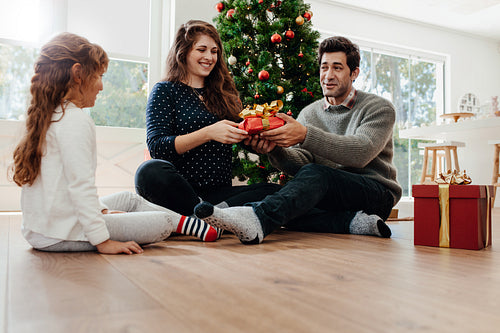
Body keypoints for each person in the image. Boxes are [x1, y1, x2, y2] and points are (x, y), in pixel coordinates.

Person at [10, 32, 222, 255]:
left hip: (42, 229)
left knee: (127, 199)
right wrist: (103, 241)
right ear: (78, 74)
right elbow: (80, 188)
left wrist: (102, 211)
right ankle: (190, 223)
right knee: (161, 222)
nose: (101, 86)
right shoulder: (76, 120)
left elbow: (64, 190)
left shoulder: (47, 116)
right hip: (61, 233)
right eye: (99, 76)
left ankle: (188, 222)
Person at [194, 36, 403, 244]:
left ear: (354, 73)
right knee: (279, 195)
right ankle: (352, 223)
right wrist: (274, 150)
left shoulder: (379, 108)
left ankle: (257, 219)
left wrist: (304, 135)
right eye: (324, 67)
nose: (328, 75)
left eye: (337, 68)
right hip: (331, 196)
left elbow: (361, 153)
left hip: (375, 194)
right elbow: (301, 163)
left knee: (305, 186)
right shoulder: (310, 113)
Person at [134, 20, 280, 217]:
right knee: (148, 172)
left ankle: (203, 216)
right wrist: (209, 133)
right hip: (179, 190)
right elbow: (158, 146)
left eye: (214, 51)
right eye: (201, 49)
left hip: (219, 194)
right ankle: (209, 214)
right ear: (183, 52)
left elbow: (240, 135)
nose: (209, 57)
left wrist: (256, 144)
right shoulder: (165, 90)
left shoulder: (224, 94)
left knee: (274, 190)